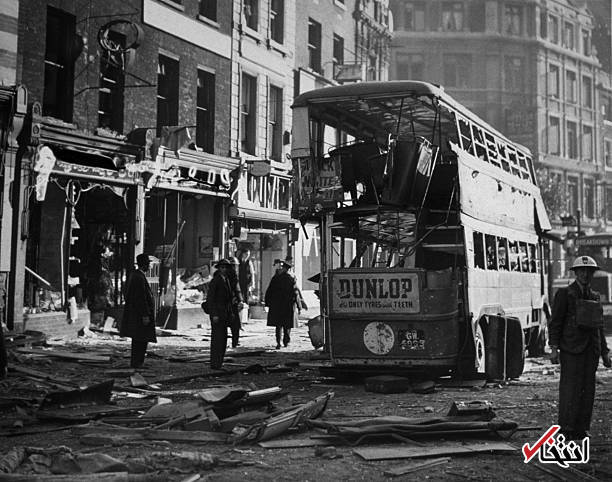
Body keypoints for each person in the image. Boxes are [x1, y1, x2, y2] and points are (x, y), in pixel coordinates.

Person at [549, 255, 611, 440]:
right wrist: (554, 347)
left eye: (589, 271)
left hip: (590, 351)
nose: (585, 274)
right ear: (576, 273)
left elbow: (599, 327)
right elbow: (556, 323)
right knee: (570, 389)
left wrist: (605, 353)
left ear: (592, 274)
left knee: (587, 390)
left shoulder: (594, 296)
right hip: (571, 350)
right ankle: (566, 428)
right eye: (582, 271)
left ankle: (581, 428)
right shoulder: (565, 294)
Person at [120, 254, 156, 369]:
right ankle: (137, 362)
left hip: (136, 314)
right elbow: (141, 298)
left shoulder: (135, 275)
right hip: (139, 315)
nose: (150, 266)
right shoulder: (139, 277)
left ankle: (138, 362)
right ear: (145, 265)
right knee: (141, 339)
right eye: (148, 264)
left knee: (139, 339)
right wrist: (145, 314)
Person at [265, 258, 304, 349]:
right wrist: (299, 306)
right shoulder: (291, 278)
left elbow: (269, 291)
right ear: (289, 269)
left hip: (277, 305)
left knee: (278, 325)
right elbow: (295, 293)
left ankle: (278, 342)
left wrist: (267, 303)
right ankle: (286, 341)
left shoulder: (275, 278)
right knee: (287, 325)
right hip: (288, 305)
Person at [207, 259, 234, 369]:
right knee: (217, 339)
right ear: (219, 268)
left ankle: (219, 362)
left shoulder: (226, 280)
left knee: (223, 339)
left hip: (224, 313)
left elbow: (228, 299)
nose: (224, 269)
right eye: (222, 267)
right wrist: (214, 314)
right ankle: (215, 363)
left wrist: (231, 312)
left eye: (226, 268)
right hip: (217, 313)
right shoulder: (216, 281)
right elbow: (211, 299)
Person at [228, 257, 244, 348]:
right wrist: (240, 300)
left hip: (224, 303)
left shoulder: (220, 275)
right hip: (232, 302)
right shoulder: (233, 275)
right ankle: (235, 341)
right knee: (235, 325)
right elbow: (237, 289)